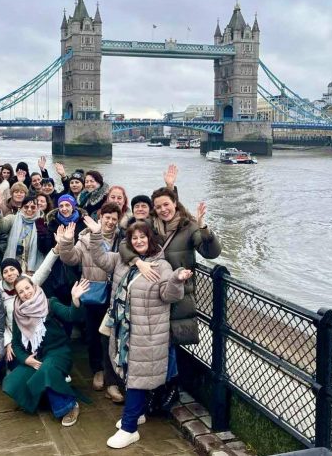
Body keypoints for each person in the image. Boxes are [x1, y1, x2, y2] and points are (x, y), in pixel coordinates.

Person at [83, 216, 192, 449]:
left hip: (147, 334)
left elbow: (169, 296)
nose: (139, 241)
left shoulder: (162, 266)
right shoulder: (122, 261)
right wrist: (96, 234)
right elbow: (100, 258)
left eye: (143, 237)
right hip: (124, 330)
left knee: (135, 379)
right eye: (134, 238)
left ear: (150, 239)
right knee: (128, 373)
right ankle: (139, 413)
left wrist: (176, 279)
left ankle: (129, 428)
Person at [120, 186, 222, 412]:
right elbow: (125, 244)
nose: (163, 209)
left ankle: (170, 386)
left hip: (178, 293)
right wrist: (138, 262)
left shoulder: (190, 227)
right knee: (155, 342)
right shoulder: (150, 225)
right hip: (153, 292)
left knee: (169, 342)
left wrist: (204, 227)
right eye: (158, 206)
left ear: (175, 203)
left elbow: (212, 252)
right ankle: (155, 388)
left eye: (166, 204)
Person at [2, 276, 90, 427]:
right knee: (13, 382)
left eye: (27, 288)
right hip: (38, 356)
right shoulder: (18, 313)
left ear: (34, 286)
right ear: (17, 295)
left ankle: (69, 405)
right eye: (21, 292)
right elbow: (16, 344)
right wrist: (26, 359)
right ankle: (50, 391)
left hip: (58, 352)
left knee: (46, 371)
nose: (25, 293)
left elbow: (72, 316)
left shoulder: (49, 303)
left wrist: (75, 299)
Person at [58, 203, 124, 403]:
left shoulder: (122, 239)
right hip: (93, 293)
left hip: (116, 294)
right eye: (107, 218)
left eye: (114, 219)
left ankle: (113, 377)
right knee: (94, 334)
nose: (110, 222)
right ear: (100, 217)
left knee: (113, 335)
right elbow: (71, 259)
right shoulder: (86, 238)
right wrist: (66, 242)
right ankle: (98, 370)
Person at [0, 247, 58, 365]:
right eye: (5, 271)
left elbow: (44, 269)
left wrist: (55, 251)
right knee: (15, 365)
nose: (9, 273)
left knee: (44, 362)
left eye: (12, 269)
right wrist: (8, 342)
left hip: (37, 333)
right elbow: (0, 322)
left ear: (19, 271)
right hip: (17, 339)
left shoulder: (28, 284)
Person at [0, 193, 45, 274]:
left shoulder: (42, 223)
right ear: (21, 208)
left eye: (33, 207)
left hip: (32, 268)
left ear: (38, 208)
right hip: (12, 265)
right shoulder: (13, 219)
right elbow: (0, 226)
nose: (29, 210)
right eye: (26, 207)